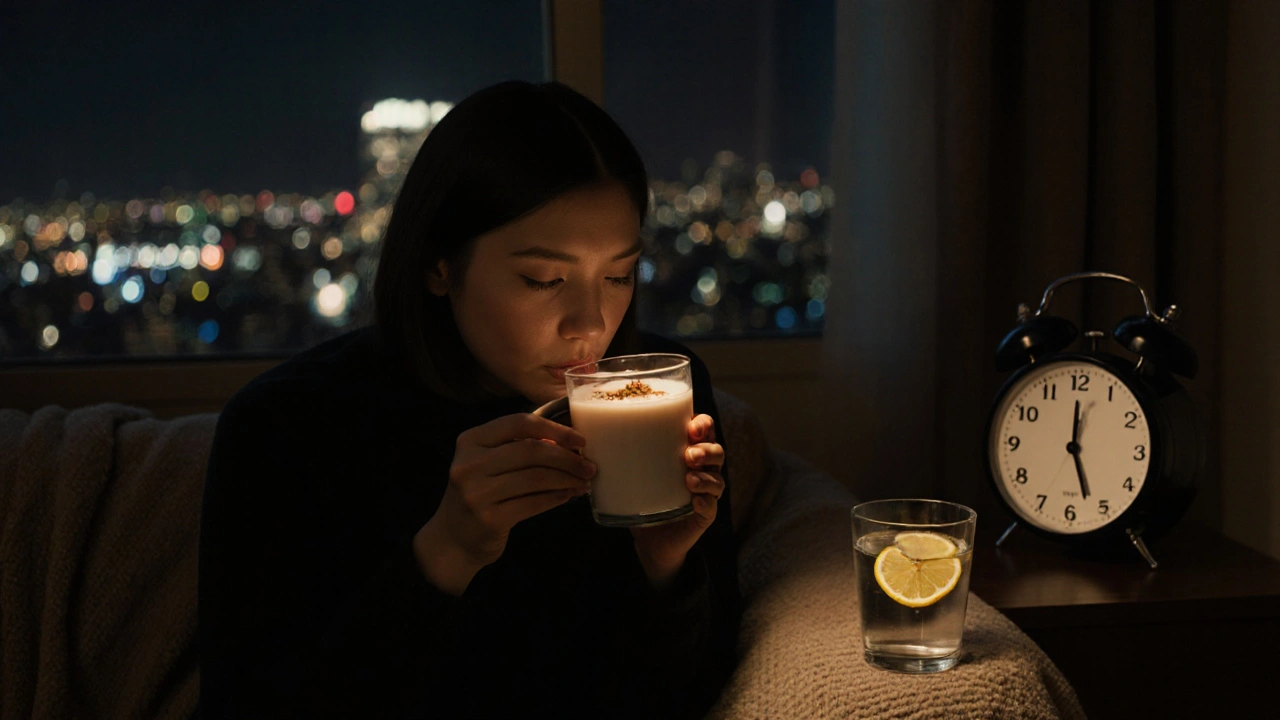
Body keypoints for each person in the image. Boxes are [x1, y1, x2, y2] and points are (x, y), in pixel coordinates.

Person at [198, 80, 741, 719]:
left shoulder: (659, 394)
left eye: (619, 274)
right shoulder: (288, 426)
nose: (591, 323)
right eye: (544, 279)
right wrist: (446, 552)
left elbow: (702, 694)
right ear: (439, 264)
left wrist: (667, 569)